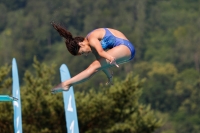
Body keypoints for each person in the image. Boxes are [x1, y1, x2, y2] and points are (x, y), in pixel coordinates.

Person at [51, 22, 135, 93]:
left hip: (125, 46)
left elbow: (101, 52)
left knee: (93, 66)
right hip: (126, 52)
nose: (86, 54)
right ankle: (67, 84)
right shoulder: (93, 46)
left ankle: (66, 84)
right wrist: (109, 76)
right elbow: (100, 64)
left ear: (81, 44)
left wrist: (109, 57)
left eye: (83, 52)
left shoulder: (91, 38)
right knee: (94, 67)